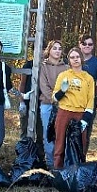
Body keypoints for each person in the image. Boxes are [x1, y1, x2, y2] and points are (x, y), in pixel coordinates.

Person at [52, 47, 95, 169]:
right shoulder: (63, 75)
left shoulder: (89, 78)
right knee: (60, 143)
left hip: (80, 113)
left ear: (81, 58)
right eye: (72, 57)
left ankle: (78, 172)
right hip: (64, 111)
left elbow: (91, 100)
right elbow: (54, 98)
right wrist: (62, 91)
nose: (75, 60)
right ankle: (58, 171)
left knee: (80, 143)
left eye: (77, 57)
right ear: (69, 60)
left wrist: (85, 119)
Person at [38, 40, 68, 168]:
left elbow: (67, 87)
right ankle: (51, 166)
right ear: (49, 50)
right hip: (47, 104)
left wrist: (61, 100)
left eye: (59, 48)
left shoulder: (66, 67)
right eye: (54, 48)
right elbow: (44, 87)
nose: (57, 50)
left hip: (63, 105)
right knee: (48, 135)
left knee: (62, 135)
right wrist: (54, 99)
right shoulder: (43, 67)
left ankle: (61, 165)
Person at [79, 34, 97, 149]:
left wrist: (91, 93)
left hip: (89, 103)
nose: (87, 46)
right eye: (84, 43)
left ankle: (82, 159)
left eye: (90, 44)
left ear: (93, 46)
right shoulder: (73, 59)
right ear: (80, 45)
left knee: (86, 131)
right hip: (72, 102)